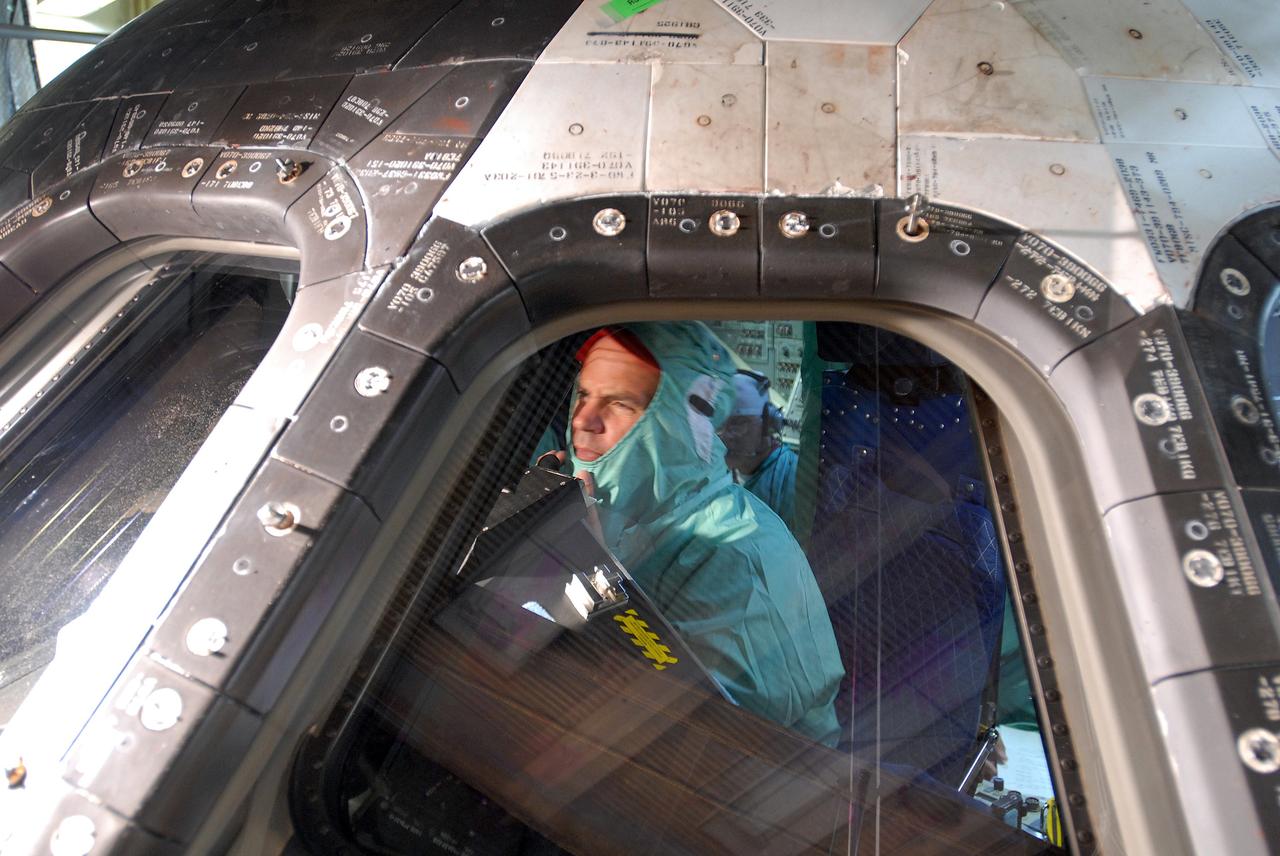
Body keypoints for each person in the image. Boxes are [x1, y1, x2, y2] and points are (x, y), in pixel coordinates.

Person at [562, 322, 844, 746]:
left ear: (673, 424)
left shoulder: (735, 554)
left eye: (619, 403)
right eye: (583, 395)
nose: (584, 419)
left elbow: (701, 740)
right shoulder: (631, 516)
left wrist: (589, 563)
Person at [719, 370, 799, 534]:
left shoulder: (794, 476)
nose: (726, 436)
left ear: (769, 424)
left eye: (738, 424)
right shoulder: (720, 474)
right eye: (720, 425)